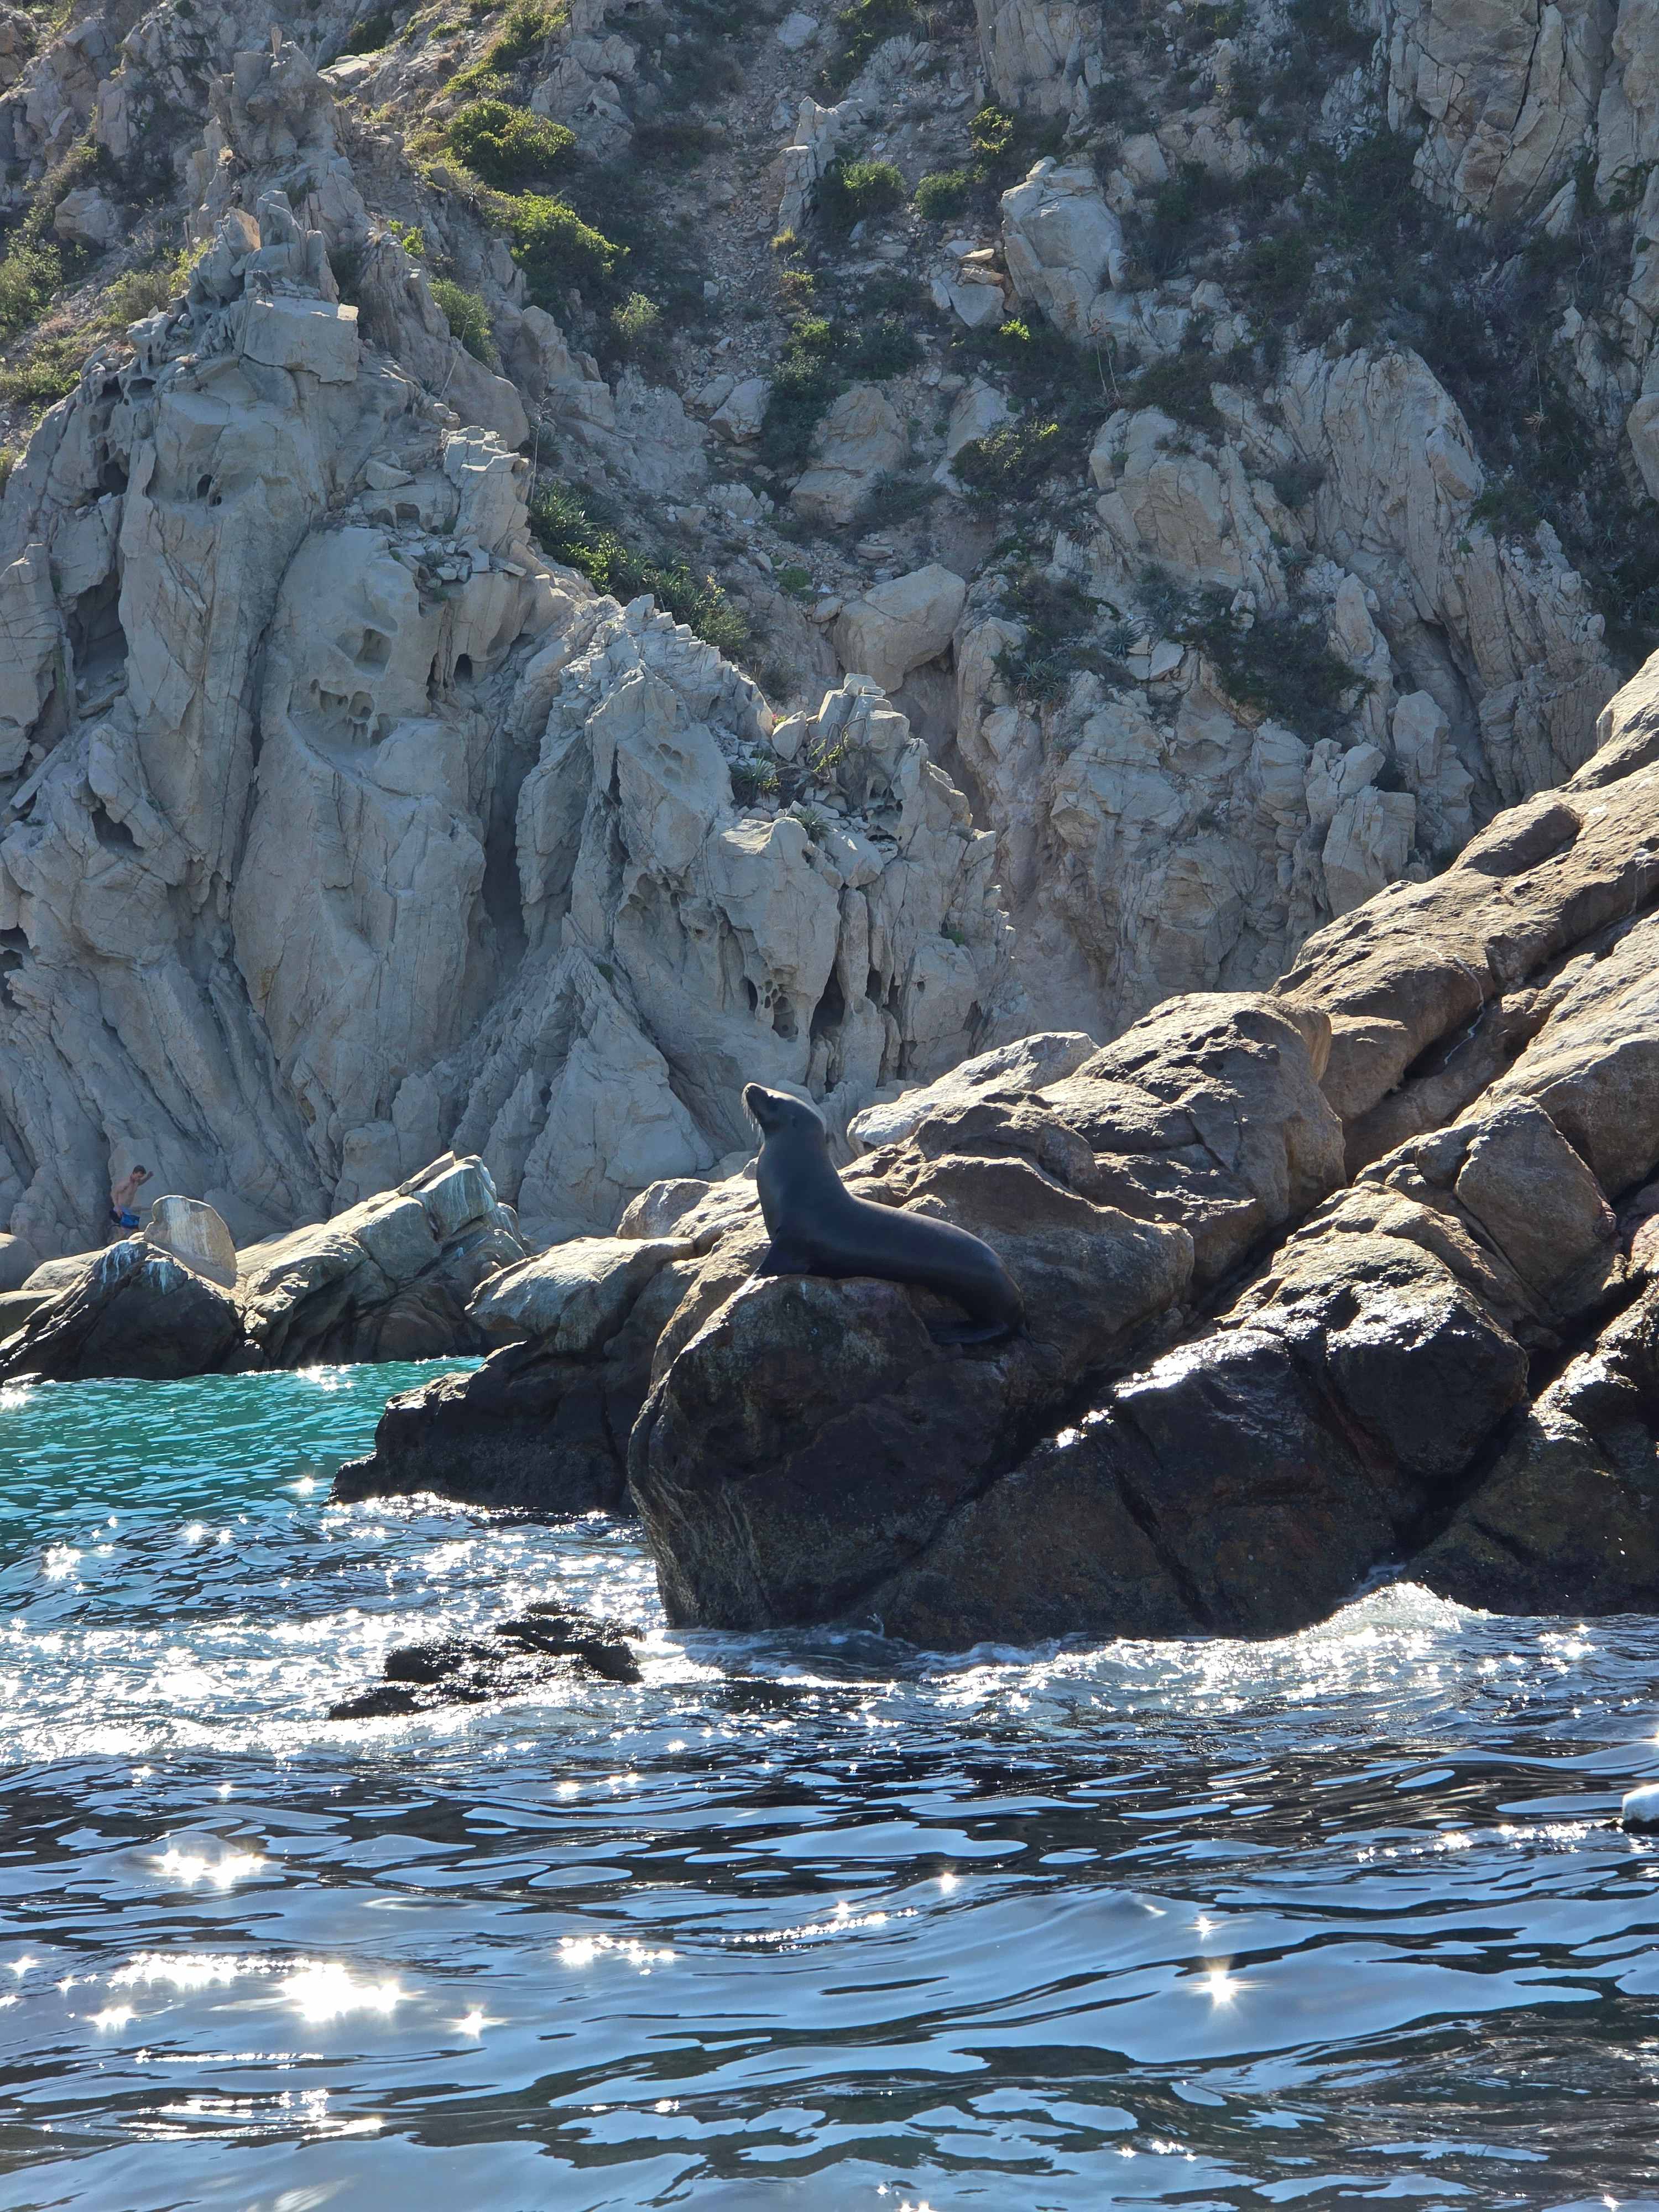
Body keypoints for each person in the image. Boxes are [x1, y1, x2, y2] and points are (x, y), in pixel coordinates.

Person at [108, 1163, 152, 1240]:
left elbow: (140, 1183)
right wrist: (117, 1207)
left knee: (132, 1231)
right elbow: (114, 1193)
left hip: (127, 1210)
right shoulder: (126, 1183)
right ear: (134, 1173)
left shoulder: (136, 1182)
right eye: (138, 1176)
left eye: (141, 1177)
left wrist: (148, 1177)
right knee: (131, 1231)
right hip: (121, 1209)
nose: (139, 1179)